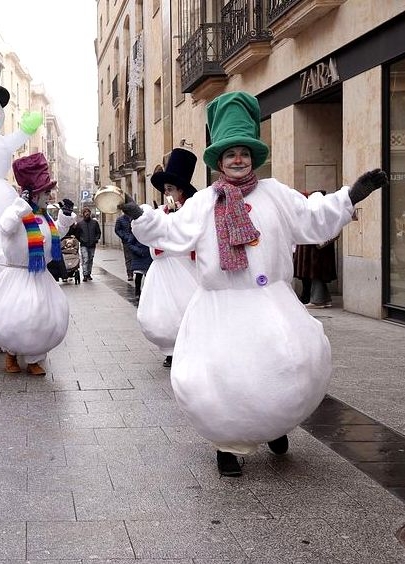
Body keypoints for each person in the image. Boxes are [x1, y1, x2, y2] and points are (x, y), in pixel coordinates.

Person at [123, 91, 388, 478]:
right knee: (222, 378)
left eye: (244, 153)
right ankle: (227, 445)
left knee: (287, 365)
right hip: (221, 305)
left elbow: (312, 216)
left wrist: (350, 195)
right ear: (219, 160)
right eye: (230, 154)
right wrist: (140, 216)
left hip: (270, 301)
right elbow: (170, 230)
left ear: (252, 158)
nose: (237, 160)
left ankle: (276, 426)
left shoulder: (275, 192)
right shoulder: (204, 203)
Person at [0, 153, 77, 375]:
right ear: (33, 194)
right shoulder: (16, 212)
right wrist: (20, 205)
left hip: (41, 275)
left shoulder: (44, 217)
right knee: (17, 317)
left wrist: (64, 217)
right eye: (45, 192)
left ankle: (35, 358)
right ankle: (11, 354)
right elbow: (6, 226)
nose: (49, 195)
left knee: (42, 318)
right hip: (18, 276)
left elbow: (56, 236)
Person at [134, 148, 200, 368]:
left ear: (181, 190)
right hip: (162, 271)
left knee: (186, 307)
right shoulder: (161, 212)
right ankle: (170, 349)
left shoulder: (192, 211)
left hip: (185, 268)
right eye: (165, 189)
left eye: (170, 189)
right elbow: (149, 233)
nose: (167, 194)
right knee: (161, 313)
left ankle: (190, 346)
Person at [293, 190, 338, 309]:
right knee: (317, 274)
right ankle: (323, 299)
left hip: (315, 248)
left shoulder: (316, 211)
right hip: (318, 247)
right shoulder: (325, 210)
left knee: (316, 273)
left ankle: (318, 300)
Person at [75, 206, 101, 281]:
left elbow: (98, 232)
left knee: (90, 259)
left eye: (88, 212)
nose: (87, 213)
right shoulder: (80, 224)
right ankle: (85, 274)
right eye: (85, 212)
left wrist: (96, 239)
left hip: (92, 244)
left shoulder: (94, 223)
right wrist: (81, 240)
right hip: (84, 244)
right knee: (85, 259)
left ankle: (89, 273)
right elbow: (77, 234)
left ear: (90, 213)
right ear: (83, 214)